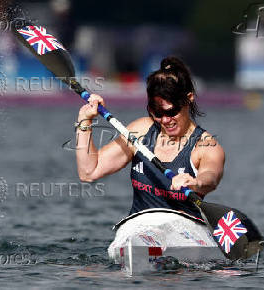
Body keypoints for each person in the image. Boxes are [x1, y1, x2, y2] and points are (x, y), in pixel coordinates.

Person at [75, 56, 225, 220]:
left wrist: (195, 183)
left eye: (171, 112)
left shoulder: (206, 146)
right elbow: (88, 172)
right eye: (158, 114)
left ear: (189, 98)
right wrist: (85, 119)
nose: (165, 120)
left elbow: (211, 178)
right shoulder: (139, 131)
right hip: (138, 231)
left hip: (183, 232)